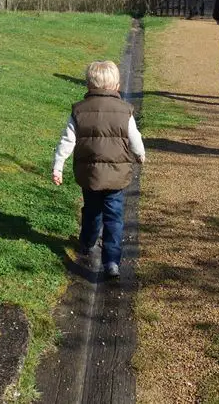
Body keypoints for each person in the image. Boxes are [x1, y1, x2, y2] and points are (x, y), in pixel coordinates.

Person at [52, 60, 145, 279]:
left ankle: (87, 241)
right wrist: (140, 154)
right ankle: (111, 260)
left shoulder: (79, 111)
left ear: (88, 85)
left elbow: (67, 141)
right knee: (114, 217)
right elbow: (134, 137)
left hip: (90, 175)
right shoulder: (125, 111)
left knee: (92, 210)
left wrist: (58, 166)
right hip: (116, 176)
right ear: (117, 85)